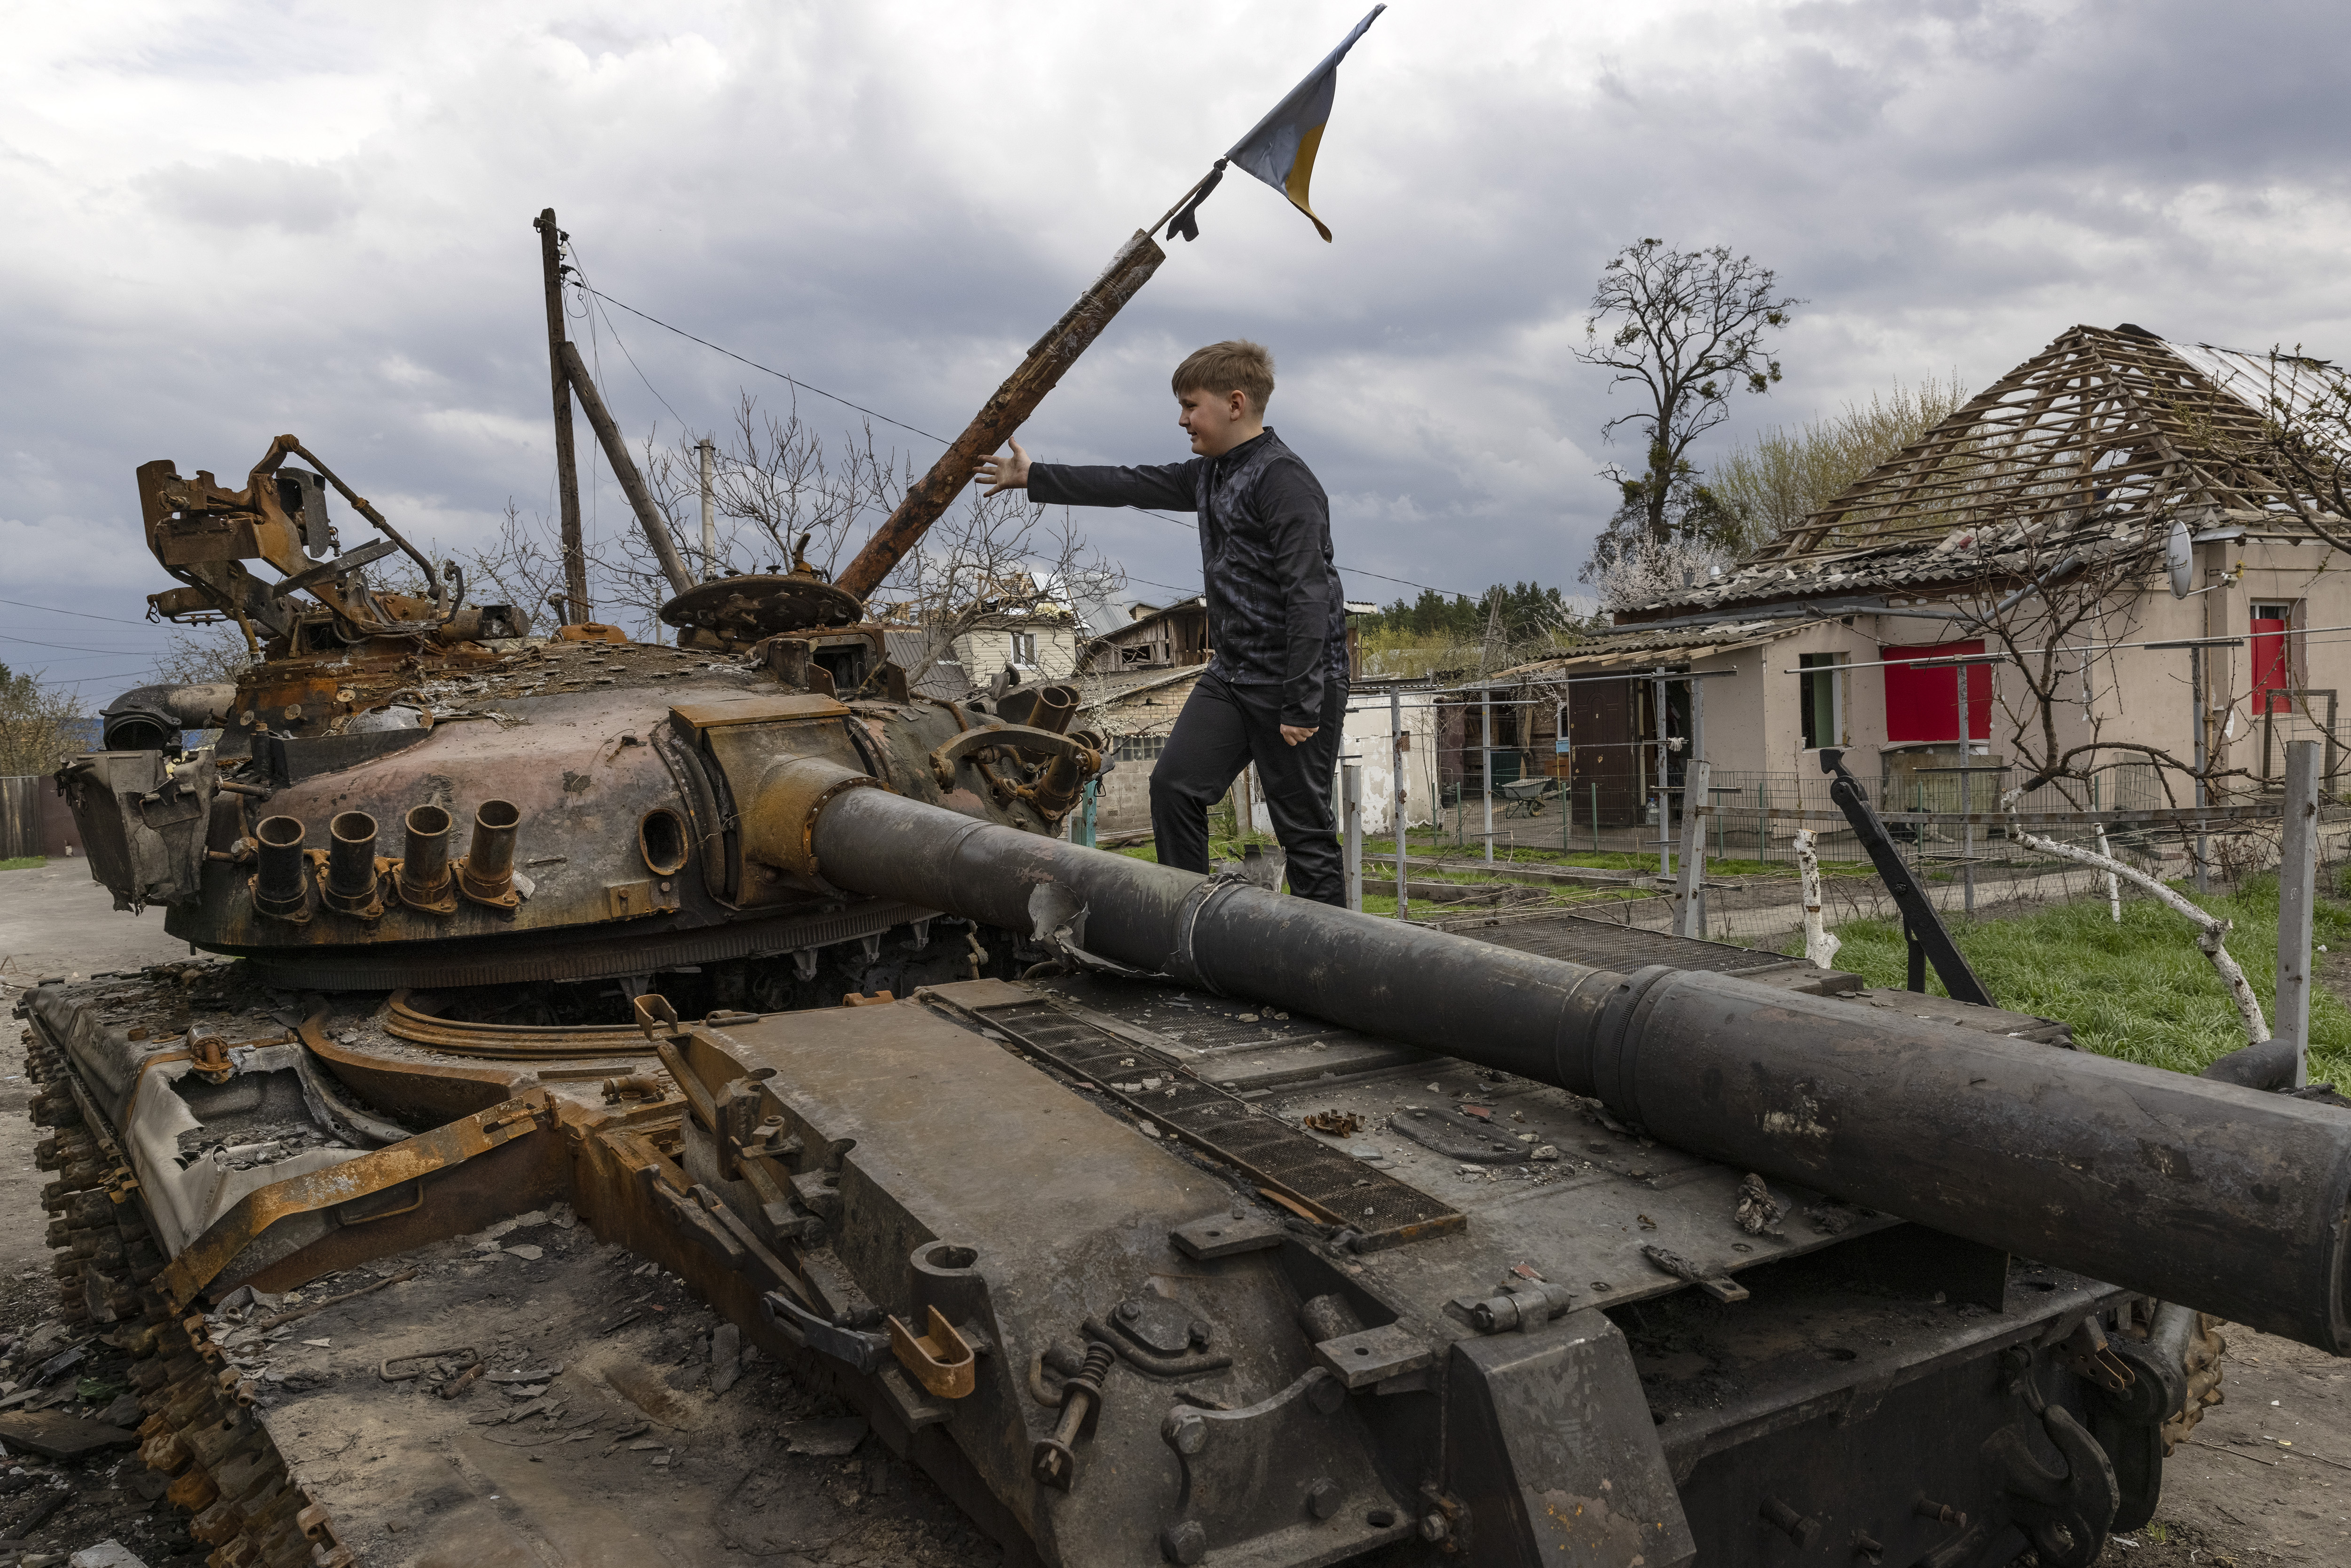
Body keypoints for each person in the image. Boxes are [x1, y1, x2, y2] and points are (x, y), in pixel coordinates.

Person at [972, 339, 1350, 905]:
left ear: (1235, 403)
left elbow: (1308, 593)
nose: (1182, 419)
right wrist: (1037, 476)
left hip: (1292, 681)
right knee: (1174, 786)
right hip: (1233, 676)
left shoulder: (1283, 481)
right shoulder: (1210, 475)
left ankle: (1329, 973)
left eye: (1190, 405)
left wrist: (1301, 697)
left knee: (1304, 834)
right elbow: (1129, 483)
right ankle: (1187, 927)